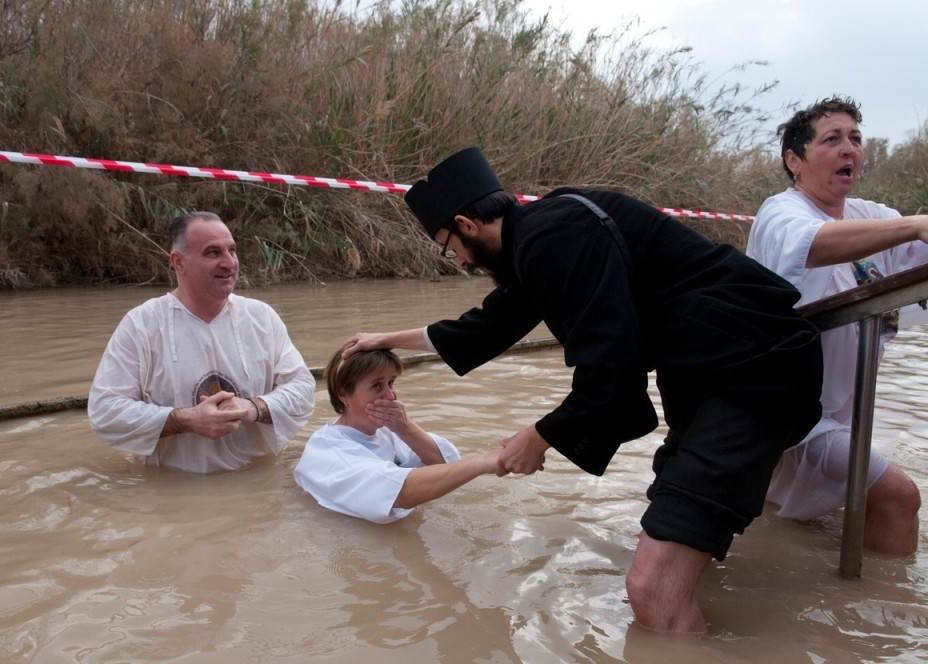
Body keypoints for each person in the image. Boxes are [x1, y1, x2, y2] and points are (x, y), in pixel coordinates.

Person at [342, 147, 824, 634]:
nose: (460, 261)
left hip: (751, 373)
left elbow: (611, 371)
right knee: (676, 522)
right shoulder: (542, 234)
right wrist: (385, 339)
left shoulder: (555, 238)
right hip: (714, 374)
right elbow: (482, 328)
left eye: (451, 247)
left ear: (467, 224)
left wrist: (539, 436)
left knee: (652, 587)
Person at [746, 96, 927, 556]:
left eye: (856, 139)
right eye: (832, 139)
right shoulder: (781, 213)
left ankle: (832, 606)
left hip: (840, 414)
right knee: (900, 497)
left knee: (793, 518)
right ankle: (885, 613)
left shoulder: (871, 217)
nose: (849, 149)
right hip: (789, 413)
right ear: (794, 160)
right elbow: (815, 246)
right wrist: (914, 226)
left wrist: (912, 229)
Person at [88, 211, 316, 473]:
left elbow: (303, 389)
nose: (229, 263)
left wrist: (253, 407)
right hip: (172, 491)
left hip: (257, 481)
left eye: (232, 250)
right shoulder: (141, 324)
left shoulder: (261, 317)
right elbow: (105, 412)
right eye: (213, 253)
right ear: (178, 262)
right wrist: (186, 420)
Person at [294, 347, 501, 523]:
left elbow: (445, 464)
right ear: (343, 395)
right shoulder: (329, 451)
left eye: (391, 383)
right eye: (377, 386)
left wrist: (406, 428)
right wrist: (481, 462)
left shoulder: (387, 430)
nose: (391, 395)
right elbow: (398, 492)